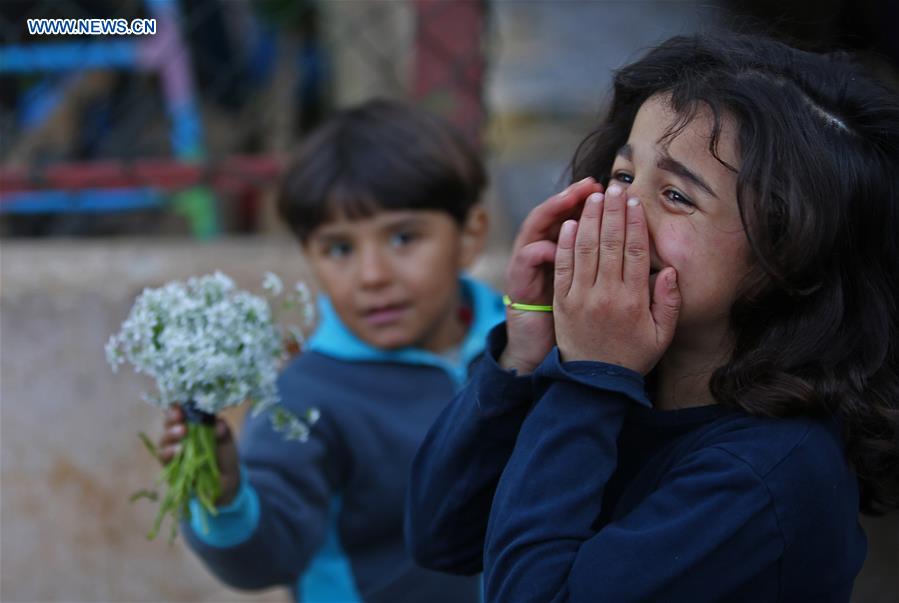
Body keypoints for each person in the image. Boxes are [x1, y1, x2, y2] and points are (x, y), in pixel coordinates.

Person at [406, 33, 899, 602]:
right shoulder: (629, 372)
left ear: (788, 260)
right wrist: (526, 348)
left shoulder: (764, 476)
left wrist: (590, 378)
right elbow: (442, 535)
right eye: (622, 175)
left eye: (677, 196)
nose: (617, 214)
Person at [158, 99, 502, 602]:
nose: (373, 276)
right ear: (309, 257)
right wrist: (226, 495)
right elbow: (268, 557)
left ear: (470, 236)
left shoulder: (526, 346)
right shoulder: (302, 396)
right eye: (339, 248)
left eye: (404, 238)